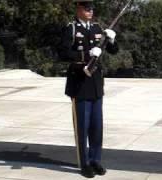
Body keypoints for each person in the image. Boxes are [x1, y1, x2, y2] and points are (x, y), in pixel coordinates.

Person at [58, 0, 119, 178]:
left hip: (96, 84)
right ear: (78, 9)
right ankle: (84, 163)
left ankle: (95, 160)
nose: (90, 11)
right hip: (79, 84)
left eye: (92, 8)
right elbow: (62, 53)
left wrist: (112, 39)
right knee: (82, 127)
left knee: (96, 127)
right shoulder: (71, 28)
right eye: (86, 8)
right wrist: (86, 55)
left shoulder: (97, 28)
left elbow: (113, 51)